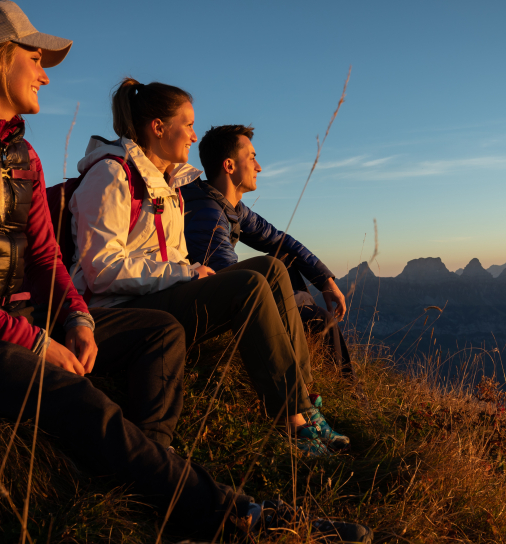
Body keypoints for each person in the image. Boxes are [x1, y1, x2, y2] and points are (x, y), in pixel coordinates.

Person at [0, 1, 370, 544]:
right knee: (81, 404)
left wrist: (76, 319)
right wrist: (34, 341)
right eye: (34, 56)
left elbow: (46, 257)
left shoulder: (21, 154)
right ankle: (238, 517)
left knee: (161, 331)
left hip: (7, 317)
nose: (45, 71)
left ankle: (152, 486)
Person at [65, 79, 349, 456]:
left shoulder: (170, 184)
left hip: (159, 294)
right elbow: (102, 270)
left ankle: (306, 404)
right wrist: (186, 274)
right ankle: (292, 423)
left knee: (270, 268)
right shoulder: (111, 175)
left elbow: (272, 241)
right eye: (188, 124)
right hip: (117, 311)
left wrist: (322, 278)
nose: (194, 135)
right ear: (158, 127)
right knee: (247, 286)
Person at [184, 125, 356, 380]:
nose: (259, 167)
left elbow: (281, 241)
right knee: (319, 320)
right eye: (252, 158)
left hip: (228, 293)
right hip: (206, 309)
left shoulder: (231, 207)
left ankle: (304, 335)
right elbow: (234, 283)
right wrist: (304, 303)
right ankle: (346, 389)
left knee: (284, 258)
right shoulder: (209, 214)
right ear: (229, 166)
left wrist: (325, 281)